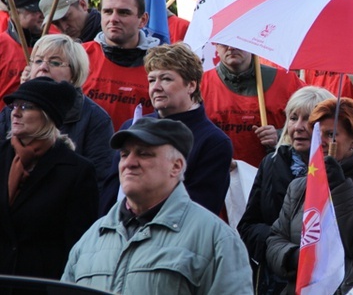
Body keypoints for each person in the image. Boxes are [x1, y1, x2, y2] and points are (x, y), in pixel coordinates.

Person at [62, 117, 253, 294]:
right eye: (124, 154)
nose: (129, 163)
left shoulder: (216, 239)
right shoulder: (92, 238)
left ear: (176, 166)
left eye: (144, 154)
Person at [266, 98, 353, 294]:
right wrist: (298, 257)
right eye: (317, 133)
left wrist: (338, 186)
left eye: (331, 135)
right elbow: (274, 241)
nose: (320, 141)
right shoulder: (301, 184)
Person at [101, 43, 233, 216]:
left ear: (191, 86)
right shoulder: (132, 127)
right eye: (151, 80)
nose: (156, 87)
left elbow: (200, 209)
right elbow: (109, 197)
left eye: (166, 79)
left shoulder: (214, 142)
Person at [237, 86, 335, 295]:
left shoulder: (338, 171)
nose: (298, 127)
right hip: (276, 279)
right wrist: (283, 247)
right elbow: (248, 226)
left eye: (308, 120)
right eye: (293, 118)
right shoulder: (271, 164)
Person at [0, 77, 98, 282]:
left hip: (42, 284)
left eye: (26, 106)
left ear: (48, 115)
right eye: (14, 106)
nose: (15, 113)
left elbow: (77, 244)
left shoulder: (77, 171)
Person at [0, 34, 114, 191]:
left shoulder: (95, 119)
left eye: (55, 62)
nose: (43, 67)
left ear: (74, 73)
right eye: (38, 61)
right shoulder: (10, 110)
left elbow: (98, 181)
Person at [202, 43, 305, 167]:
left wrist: (279, 135)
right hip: (218, 173)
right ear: (215, 45)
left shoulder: (286, 81)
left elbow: (313, 121)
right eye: (224, 43)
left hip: (271, 174)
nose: (231, 47)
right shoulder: (200, 85)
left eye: (236, 40)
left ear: (251, 42)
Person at [82, 0, 159, 129]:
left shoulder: (162, 64)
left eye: (123, 12)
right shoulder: (78, 56)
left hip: (139, 150)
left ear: (142, 20)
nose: (113, 19)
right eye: (108, 11)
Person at [0, 0, 45, 100]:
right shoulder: (2, 45)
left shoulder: (53, 45)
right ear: (15, 13)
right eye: (35, 10)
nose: (42, 15)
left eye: (44, 9)